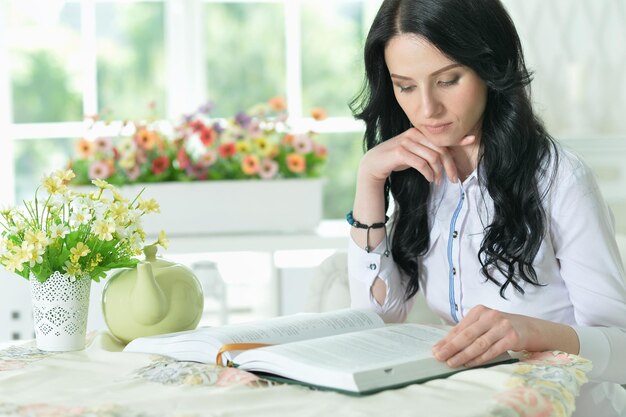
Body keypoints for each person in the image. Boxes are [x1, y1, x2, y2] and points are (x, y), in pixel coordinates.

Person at [346, 0, 626, 415]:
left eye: (448, 80)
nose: (427, 109)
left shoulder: (560, 179)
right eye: (406, 86)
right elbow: (377, 319)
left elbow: (621, 350)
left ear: (489, 68)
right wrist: (369, 179)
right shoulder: (417, 171)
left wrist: (530, 332)